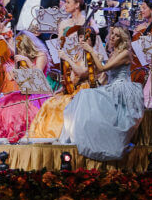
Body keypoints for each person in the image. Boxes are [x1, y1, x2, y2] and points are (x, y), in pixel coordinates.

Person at [59, 27, 145, 161]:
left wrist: (91, 50)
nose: (112, 37)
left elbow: (102, 68)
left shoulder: (125, 53)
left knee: (86, 96)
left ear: (122, 39)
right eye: (112, 34)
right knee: (82, 96)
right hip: (111, 86)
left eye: (116, 35)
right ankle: (78, 137)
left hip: (121, 88)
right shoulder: (114, 52)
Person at [0, 31, 53, 142]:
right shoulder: (21, 56)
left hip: (38, 93)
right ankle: (1, 137)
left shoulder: (41, 54)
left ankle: (19, 135)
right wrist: (14, 72)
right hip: (24, 91)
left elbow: (38, 76)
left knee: (19, 109)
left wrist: (27, 62)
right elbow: (12, 78)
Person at [28, 28, 95, 139]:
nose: (82, 40)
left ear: (91, 40)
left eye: (85, 37)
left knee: (61, 105)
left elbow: (82, 72)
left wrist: (67, 58)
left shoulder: (91, 54)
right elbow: (71, 77)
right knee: (50, 102)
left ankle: (57, 135)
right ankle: (44, 135)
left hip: (84, 90)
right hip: (72, 89)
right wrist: (62, 88)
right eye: (80, 37)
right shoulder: (77, 54)